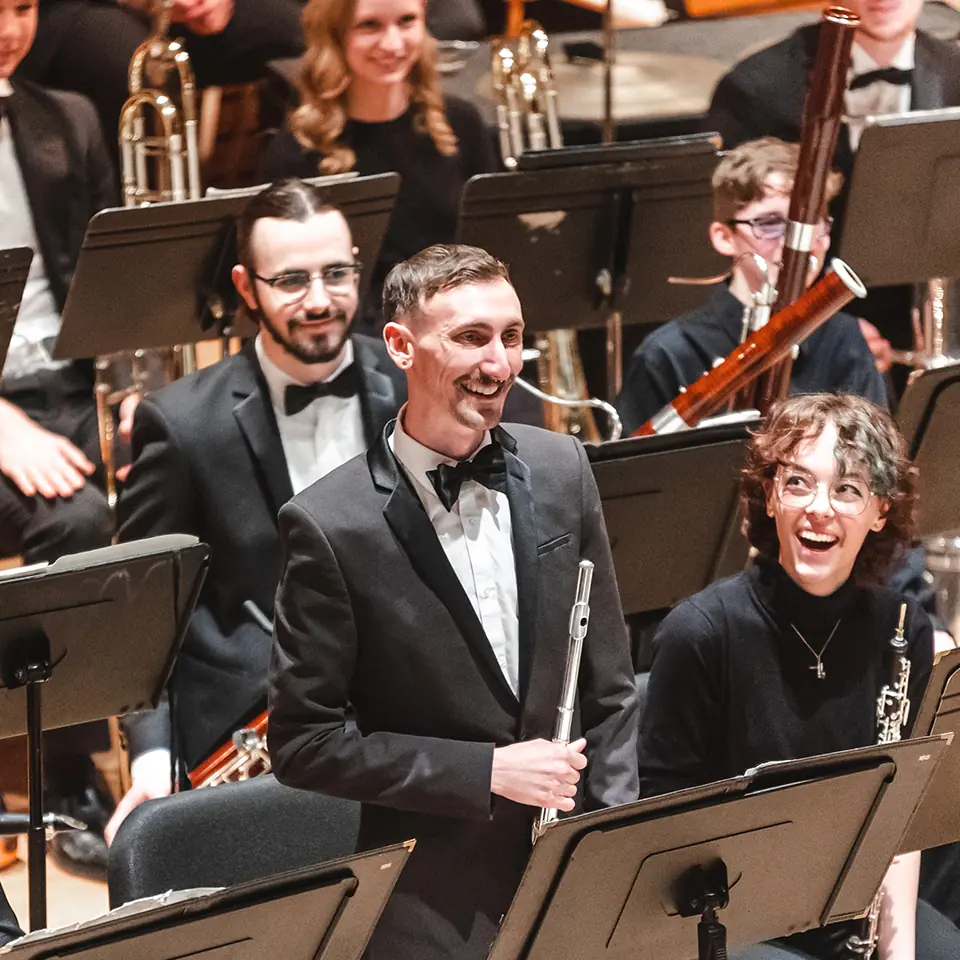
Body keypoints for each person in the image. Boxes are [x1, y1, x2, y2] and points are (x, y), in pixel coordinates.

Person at [268, 243, 638, 960]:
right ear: (401, 346)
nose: (498, 364)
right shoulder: (330, 526)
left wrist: (610, 843)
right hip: (429, 903)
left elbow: (612, 691)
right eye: (471, 337)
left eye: (511, 336)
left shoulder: (562, 468)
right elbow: (303, 744)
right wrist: (486, 772)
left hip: (575, 881)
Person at [107, 178, 406, 841]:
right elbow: (141, 611)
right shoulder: (183, 425)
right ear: (246, 288)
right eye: (291, 280)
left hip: (405, 707)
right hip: (251, 723)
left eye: (336, 274)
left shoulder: (413, 383)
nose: (319, 300)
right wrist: (153, 758)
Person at [637, 392, 960, 960]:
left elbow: (898, 823)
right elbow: (663, 841)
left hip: (853, 907)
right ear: (769, 496)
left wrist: (898, 951)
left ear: (880, 511)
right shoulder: (701, 633)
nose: (819, 508)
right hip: (731, 919)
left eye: (847, 489)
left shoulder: (902, 627)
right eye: (797, 483)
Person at [0, 0, 118, 880]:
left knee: (207, 461)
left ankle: (195, 744)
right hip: (3, 405)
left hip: (72, 381)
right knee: (75, 521)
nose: (9, 28)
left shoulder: (66, 116)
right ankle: (68, 775)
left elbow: (112, 278)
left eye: (22, 7)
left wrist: (135, 395)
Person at [705, 0, 960, 383]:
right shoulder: (758, 89)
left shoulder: (953, 72)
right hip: (803, 339)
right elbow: (739, 237)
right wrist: (829, 328)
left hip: (928, 331)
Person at [617, 137, 885, 434]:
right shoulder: (668, 353)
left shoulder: (846, 339)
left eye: (813, 223)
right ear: (724, 237)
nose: (797, 243)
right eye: (770, 223)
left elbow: (873, 457)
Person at [259, 0, 496, 334]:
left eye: (406, 21)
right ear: (335, 34)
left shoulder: (462, 123)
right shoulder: (295, 153)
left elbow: (490, 254)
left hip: (458, 329)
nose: (393, 44)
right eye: (369, 25)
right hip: (353, 341)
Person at [15, 0, 306, 163]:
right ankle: (126, 220)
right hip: (65, 10)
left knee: (298, 31)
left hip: (171, 16)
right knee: (127, 64)